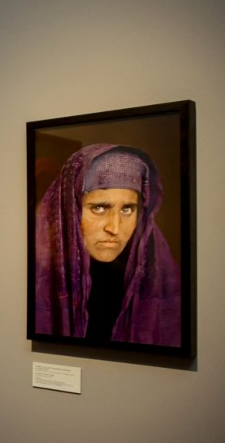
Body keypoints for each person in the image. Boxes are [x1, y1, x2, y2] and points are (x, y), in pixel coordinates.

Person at [34, 143, 181, 345]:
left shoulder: (157, 276)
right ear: (71, 209)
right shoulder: (39, 276)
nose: (115, 228)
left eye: (128, 209)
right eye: (100, 208)